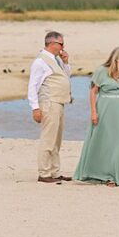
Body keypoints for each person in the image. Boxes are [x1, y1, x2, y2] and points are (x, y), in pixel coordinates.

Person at [73, 47, 119, 187]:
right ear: (116, 59)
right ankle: (105, 175)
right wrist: (93, 112)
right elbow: (93, 92)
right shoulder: (101, 71)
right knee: (105, 142)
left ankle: (117, 175)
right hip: (104, 110)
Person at [27, 31, 73, 183]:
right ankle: (44, 173)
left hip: (59, 102)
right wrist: (35, 108)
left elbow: (66, 76)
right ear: (52, 43)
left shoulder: (56, 60)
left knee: (56, 140)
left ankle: (55, 172)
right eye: (61, 44)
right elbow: (32, 86)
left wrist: (65, 62)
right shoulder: (40, 62)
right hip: (49, 103)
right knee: (48, 139)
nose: (63, 47)